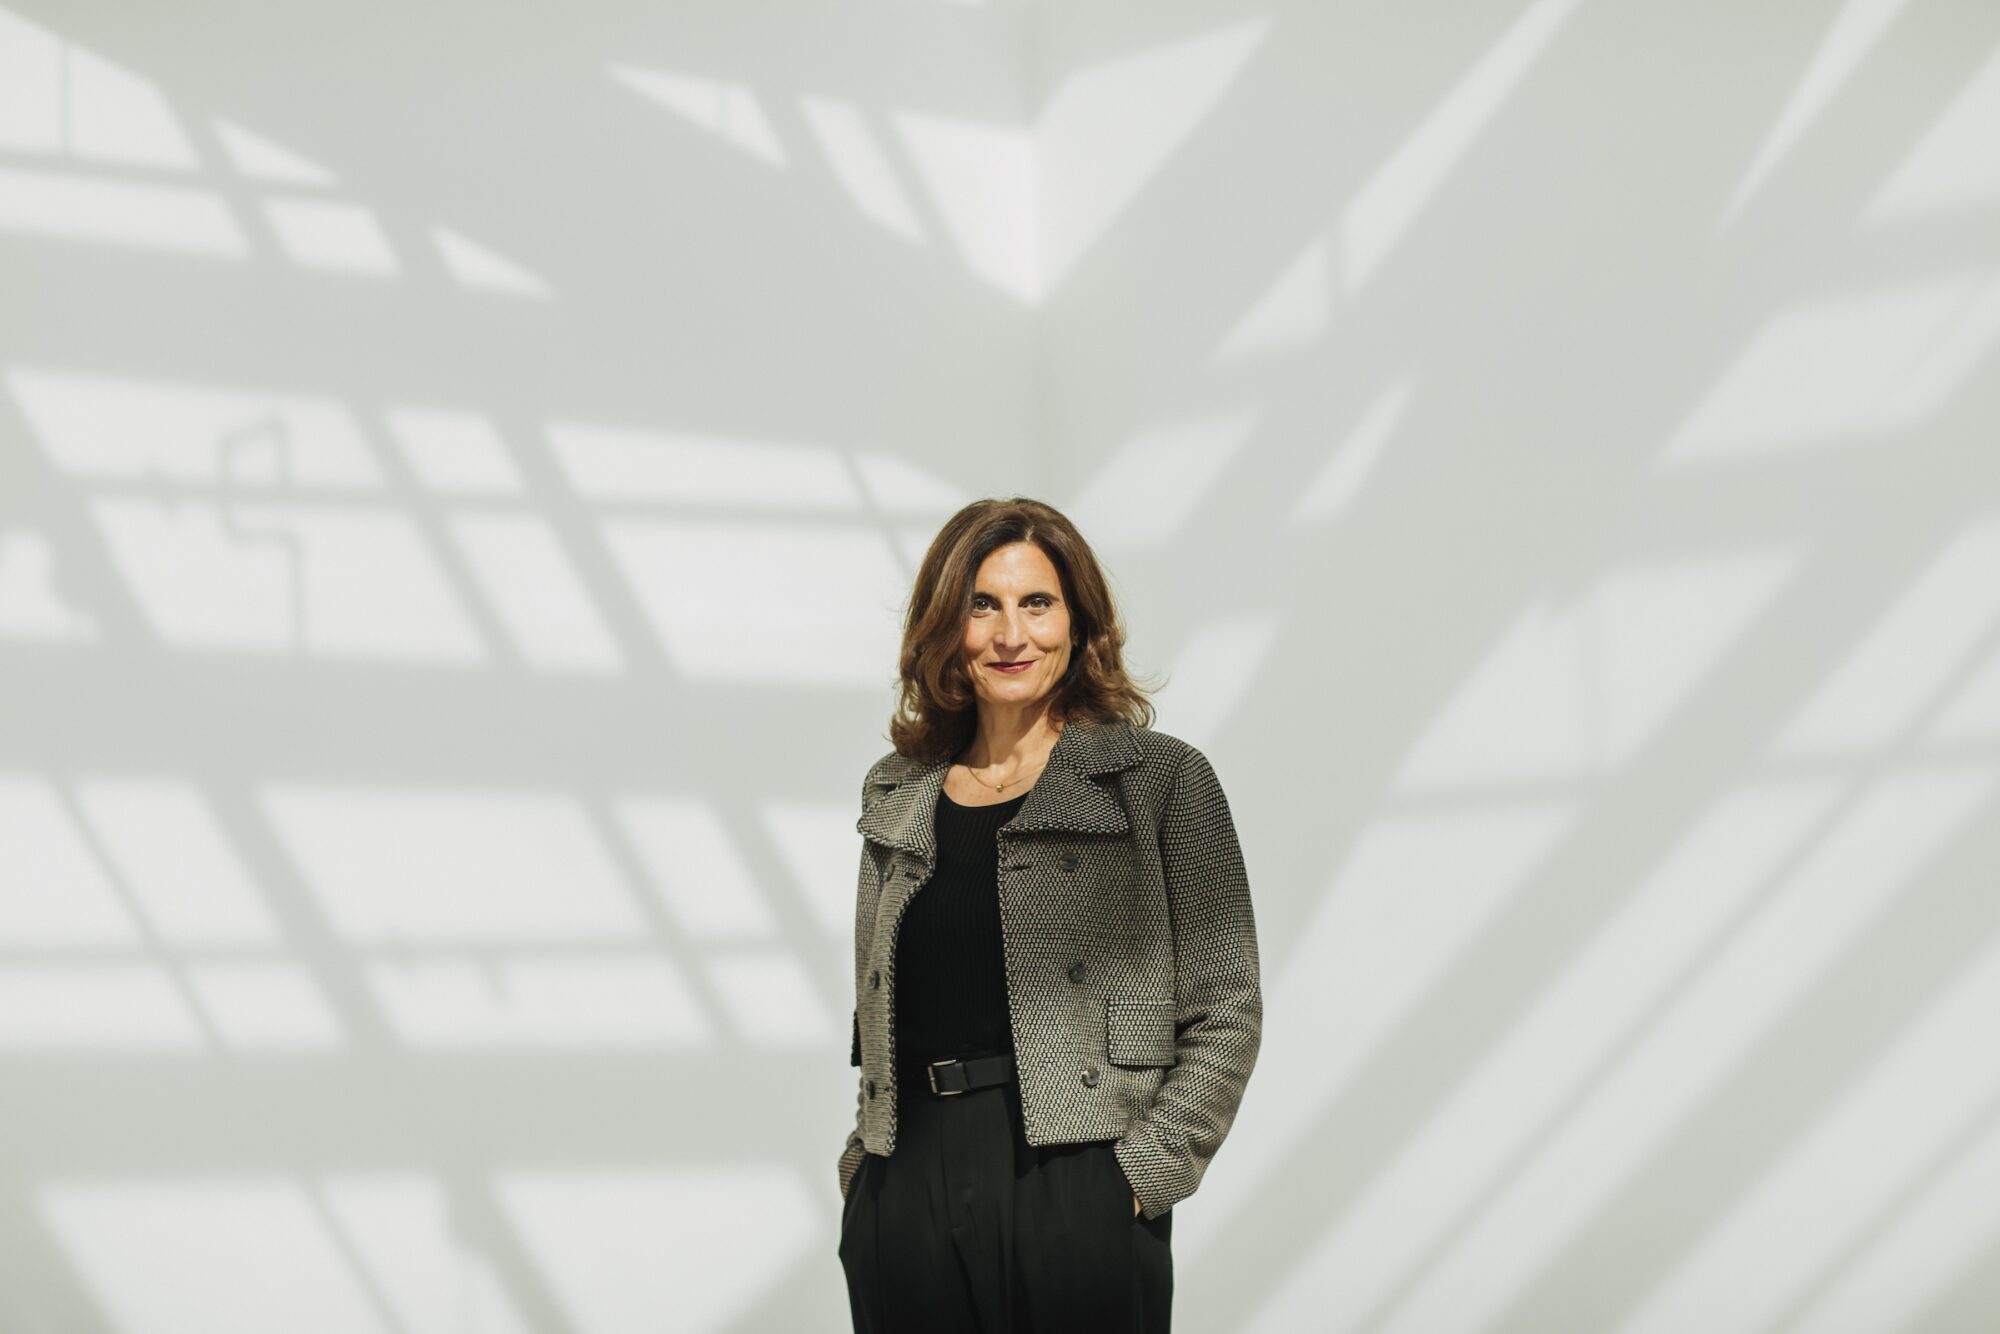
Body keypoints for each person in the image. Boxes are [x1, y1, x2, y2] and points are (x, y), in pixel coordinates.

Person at [836, 497, 1263, 1333]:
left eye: (1037, 603)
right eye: (982, 606)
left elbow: (1227, 1007)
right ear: (945, 626)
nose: (1011, 635)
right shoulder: (897, 788)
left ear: (1078, 621)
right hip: (906, 1184)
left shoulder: (1160, 780)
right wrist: (866, 1174)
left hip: (1075, 1180)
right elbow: (877, 998)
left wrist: (1135, 1179)